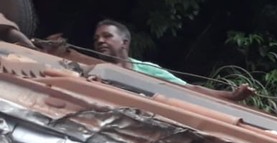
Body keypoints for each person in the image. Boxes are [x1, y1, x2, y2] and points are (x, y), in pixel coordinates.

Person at [93, 19, 252, 102]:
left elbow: (189, 89)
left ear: (124, 42)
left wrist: (231, 96)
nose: (100, 41)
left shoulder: (147, 69)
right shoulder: (92, 70)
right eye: (97, 38)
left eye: (107, 36)